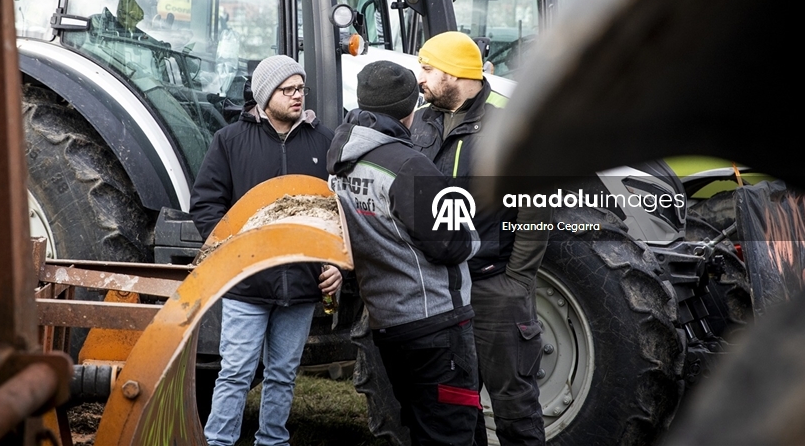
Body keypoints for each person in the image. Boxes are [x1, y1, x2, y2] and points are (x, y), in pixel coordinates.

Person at [191, 54, 342, 446]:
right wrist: (233, 253)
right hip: (248, 285)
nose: (297, 96)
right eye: (287, 89)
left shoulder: (324, 141)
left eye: (300, 88)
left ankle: (273, 441)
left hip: (303, 285)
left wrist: (337, 264)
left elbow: (339, 212)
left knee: (283, 375)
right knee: (235, 373)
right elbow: (206, 205)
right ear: (264, 95)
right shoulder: (230, 141)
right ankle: (219, 442)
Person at [327, 60, 481, 446]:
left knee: (422, 426)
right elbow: (453, 244)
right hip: (435, 324)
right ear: (410, 108)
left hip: (388, 324)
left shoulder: (340, 164)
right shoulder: (408, 165)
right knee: (450, 431)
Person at [411, 31, 549, 446]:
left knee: (515, 405)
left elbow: (536, 208)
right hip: (438, 290)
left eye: (428, 68)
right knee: (454, 404)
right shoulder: (418, 123)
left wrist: (517, 280)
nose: (420, 77)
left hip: (493, 289)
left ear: (455, 72)